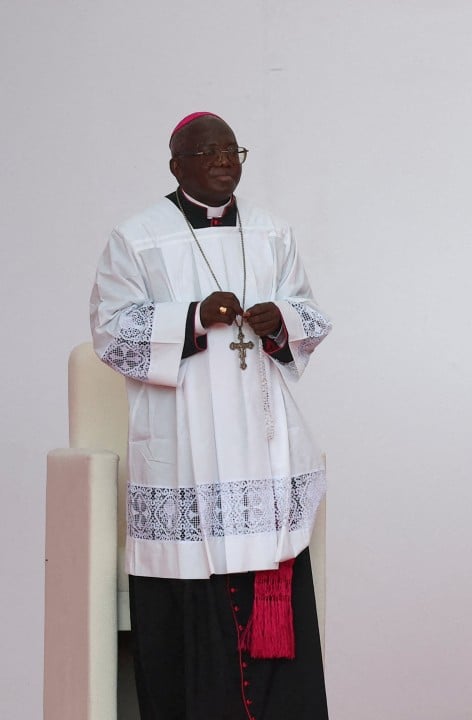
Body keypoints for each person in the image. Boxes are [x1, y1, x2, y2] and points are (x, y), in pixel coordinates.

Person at [90, 112, 331, 719]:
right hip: (183, 451)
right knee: (193, 614)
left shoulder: (272, 231)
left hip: (262, 444)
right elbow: (111, 332)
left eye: (232, 150)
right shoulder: (137, 237)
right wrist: (194, 317)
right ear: (177, 165)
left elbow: (308, 310)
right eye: (208, 152)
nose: (224, 161)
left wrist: (282, 320)